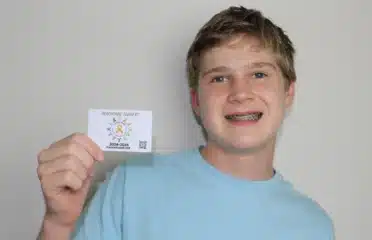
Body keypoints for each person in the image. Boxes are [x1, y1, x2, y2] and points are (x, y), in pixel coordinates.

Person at [36, 5, 335, 240]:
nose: (240, 93)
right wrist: (58, 225)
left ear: (288, 93)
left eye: (259, 74)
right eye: (219, 78)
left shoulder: (314, 226)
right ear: (196, 101)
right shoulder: (130, 186)